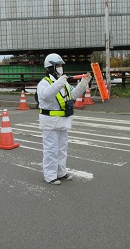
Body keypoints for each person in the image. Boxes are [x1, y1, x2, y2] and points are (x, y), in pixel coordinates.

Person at [36, 53, 92, 185]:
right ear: (51, 67)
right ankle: (50, 176)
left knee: (62, 149)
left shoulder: (63, 82)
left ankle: (61, 173)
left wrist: (84, 84)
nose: (61, 68)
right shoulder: (44, 83)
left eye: (61, 65)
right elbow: (45, 96)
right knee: (51, 150)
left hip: (63, 122)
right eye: (58, 65)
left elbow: (72, 95)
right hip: (49, 123)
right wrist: (59, 83)